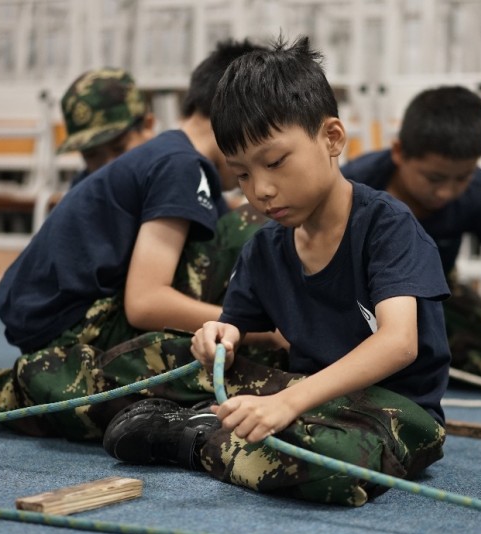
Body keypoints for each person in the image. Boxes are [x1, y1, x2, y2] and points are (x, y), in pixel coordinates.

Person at [100, 37, 450, 507]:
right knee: (140, 361)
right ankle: (216, 426)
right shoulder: (265, 246)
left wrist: (287, 403)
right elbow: (235, 327)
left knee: (335, 470)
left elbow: (399, 342)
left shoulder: (388, 226)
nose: (260, 190)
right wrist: (217, 336)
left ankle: (191, 438)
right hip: (303, 392)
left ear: (331, 138)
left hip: (393, 410)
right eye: (241, 174)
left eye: (276, 162)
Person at [0, 39, 279, 440]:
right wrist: (251, 329)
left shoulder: (175, 158)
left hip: (60, 315)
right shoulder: (180, 164)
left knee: (257, 222)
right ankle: (15, 388)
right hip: (71, 329)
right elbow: (145, 303)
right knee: (246, 302)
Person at [341, 86, 481, 405]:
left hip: (436, 293)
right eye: (434, 178)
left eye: (461, 178)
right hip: (360, 295)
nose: (446, 192)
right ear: (399, 152)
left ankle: (417, 356)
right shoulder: (356, 183)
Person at [56, 67, 155, 185]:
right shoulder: (83, 193)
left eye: (118, 148)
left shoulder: (172, 180)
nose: (107, 166)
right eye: (90, 154)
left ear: (147, 126)